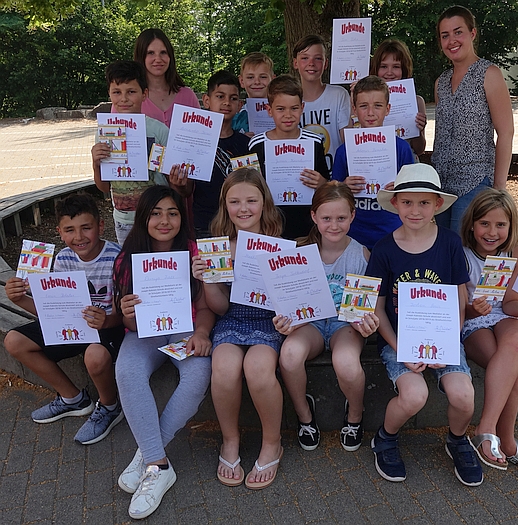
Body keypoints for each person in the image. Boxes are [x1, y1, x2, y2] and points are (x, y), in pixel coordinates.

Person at [366, 163, 483, 486]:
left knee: (463, 395)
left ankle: (458, 440)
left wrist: (450, 340)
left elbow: (459, 294)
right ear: (396, 204)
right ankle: (385, 437)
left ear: (437, 205)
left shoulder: (448, 242)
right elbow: (377, 306)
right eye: (407, 202)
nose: (415, 210)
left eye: (423, 202)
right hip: (400, 339)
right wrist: (400, 347)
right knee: (414, 395)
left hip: (442, 336)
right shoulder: (384, 248)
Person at [113, 186, 218, 519]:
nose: (164, 220)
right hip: (143, 331)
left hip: (184, 326)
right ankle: (159, 465)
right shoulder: (126, 258)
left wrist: (201, 332)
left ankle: (148, 450)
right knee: (127, 371)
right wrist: (125, 311)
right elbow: (121, 314)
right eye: (156, 212)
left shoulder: (194, 252)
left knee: (199, 370)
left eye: (172, 212)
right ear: (143, 217)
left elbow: (205, 307)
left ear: (181, 217)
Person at [3, 193, 124, 445]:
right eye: (70, 230)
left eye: (86, 228)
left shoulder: (117, 258)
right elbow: (52, 312)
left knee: (95, 356)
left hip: (109, 327)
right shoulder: (62, 259)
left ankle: (110, 406)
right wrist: (20, 300)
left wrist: (106, 321)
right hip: (70, 325)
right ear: (59, 232)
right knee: (14, 341)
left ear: (100, 226)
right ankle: (73, 398)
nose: (78, 237)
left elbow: (123, 314)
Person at [191, 168, 284, 490]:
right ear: (224, 205)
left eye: (251, 200)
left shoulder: (280, 245)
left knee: (258, 370)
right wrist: (208, 280)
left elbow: (291, 300)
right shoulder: (216, 247)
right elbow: (218, 308)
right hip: (232, 320)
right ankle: (229, 440)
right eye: (235, 201)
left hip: (269, 324)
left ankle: (272, 443)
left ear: (264, 203)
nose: (243, 209)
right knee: (225, 367)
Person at [273, 182, 379, 452]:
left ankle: (355, 414)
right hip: (312, 324)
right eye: (326, 218)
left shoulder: (362, 255)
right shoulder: (298, 252)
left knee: (345, 361)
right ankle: (304, 415)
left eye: (341, 218)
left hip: (346, 324)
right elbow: (286, 300)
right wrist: (284, 319)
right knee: (289, 354)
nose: (334, 225)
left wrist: (369, 322)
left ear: (353, 216)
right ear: (314, 217)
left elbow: (369, 307)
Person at [460, 188, 518, 472]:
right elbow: (458, 310)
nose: (492, 232)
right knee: (516, 372)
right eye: (484, 223)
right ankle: (508, 442)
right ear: (472, 224)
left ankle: (486, 429)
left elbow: (510, 302)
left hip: (504, 315)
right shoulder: (461, 254)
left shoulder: (516, 253)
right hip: (472, 320)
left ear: (511, 227)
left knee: (515, 335)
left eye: (500, 225)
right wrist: (473, 308)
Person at [431, 5, 514, 233]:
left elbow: (506, 133)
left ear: (472, 33)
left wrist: (499, 190)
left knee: (466, 253)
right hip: (442, 187)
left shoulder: (489, 74)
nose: (452, 40)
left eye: (458, 32)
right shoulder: (441, 82)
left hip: (474, 184)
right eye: (445, 35)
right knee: (446, 251)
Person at [92, 60, 174, 245]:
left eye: (131, 91)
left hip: (158, 217)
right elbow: (104, 188)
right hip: (124, 220)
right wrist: (95, 163)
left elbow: (173, 181)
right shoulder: (104, 133)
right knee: (130, 269)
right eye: (117, 92)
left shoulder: (159, 131)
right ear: (109, 94)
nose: (124, 99)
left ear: (144, 94)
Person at [332, 75, 414, 250]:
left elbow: (413, 195)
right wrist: (344, 187)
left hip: (392, 233)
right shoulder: (344, 150)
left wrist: (400, 189)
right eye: (363, 106)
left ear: (388, 109)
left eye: (378, 106)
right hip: (354, 234)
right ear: (354, 109)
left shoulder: (401, 148)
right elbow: (335, 195)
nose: (370, 113)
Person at [248, 74, 329, 239]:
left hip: (307, 227)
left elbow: (326, 185)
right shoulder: (256, 144)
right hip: (268, 227)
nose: (288, 115)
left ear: (302, 107)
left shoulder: (314, 142)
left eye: (294, 108)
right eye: (280, 109)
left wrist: (321, 183)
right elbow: (247, 188)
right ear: (269, 110)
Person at [171, 70, 250, 238]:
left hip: (240, 222)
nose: (227, 102)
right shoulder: (192, 141)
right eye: (220, 96)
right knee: (210, 265)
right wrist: (179, 183)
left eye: (233, 98)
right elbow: (187, 191)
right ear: (207, 100)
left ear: (240, 105)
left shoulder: (246, 144)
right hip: (205, 223)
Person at [293, 34, 352, 172]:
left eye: (318, 58)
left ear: (326, 63)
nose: (311, 63)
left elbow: (347, 141)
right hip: (300, 177)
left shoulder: (339, 95)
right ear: (295, 63)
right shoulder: (287, 100)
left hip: (334, 177)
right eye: (305, 58)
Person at [370, 38, 428, 158]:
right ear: (376, 69)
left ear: (404, 69)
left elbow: (419, 150)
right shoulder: (366, 102)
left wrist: (419, 130)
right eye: (384, 66)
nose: (389, 72)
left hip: (406, 168)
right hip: (377, 164)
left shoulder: (416, 101)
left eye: (396, 66)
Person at [132, 28, 200, 127]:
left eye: (163, 52)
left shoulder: (188, 96)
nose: (158, 59)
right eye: (151, 53)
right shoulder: (128, 98)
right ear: (141, 56)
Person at [233, 52, 276, 136]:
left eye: (263, 77)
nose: (257, 82)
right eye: (250, 77)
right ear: (241, 81)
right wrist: (242, 140)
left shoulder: (283, 111)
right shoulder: (237, 118)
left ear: (273, 80)